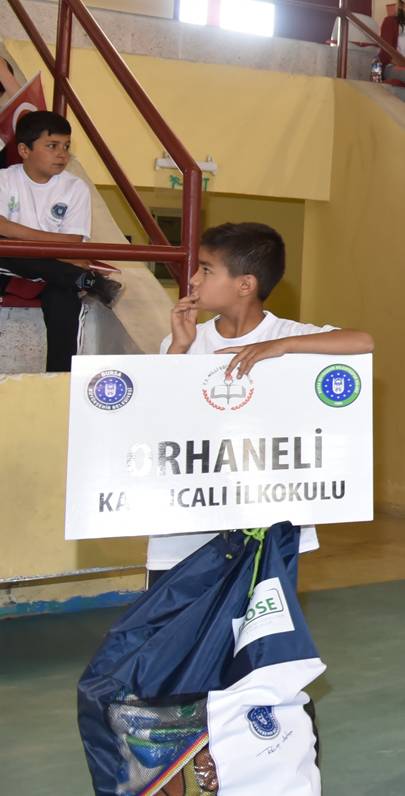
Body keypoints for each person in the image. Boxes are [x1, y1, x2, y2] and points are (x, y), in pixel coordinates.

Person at [149, 222, 372, 582]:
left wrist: (280, 346)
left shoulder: (287, 334)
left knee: (258, 614)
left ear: (245, 285)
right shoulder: (184, 340)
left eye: (206, 269)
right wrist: (178, 347)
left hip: (264, 518)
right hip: (185, 526)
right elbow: (155, 413)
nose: (193, 279)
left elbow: (362, 342)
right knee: (173, 615)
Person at [0, 111, 121, 372]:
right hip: (9, 268)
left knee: (63, 299)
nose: (62, 154)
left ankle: (61, 379)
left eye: (66, 146)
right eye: (52, 146)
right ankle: (83, 278)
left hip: (52, 272)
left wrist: (18, 235)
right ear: (24, 150)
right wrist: (54, 251)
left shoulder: (75, 188)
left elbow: (72, 243)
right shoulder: (3, 179)